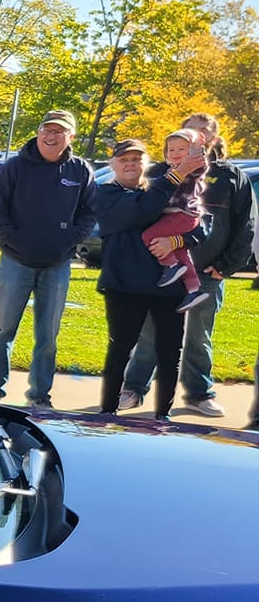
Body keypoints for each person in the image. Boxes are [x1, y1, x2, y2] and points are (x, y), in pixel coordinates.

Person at [120, 112, 256, 417]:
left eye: (204, 132)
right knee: (150, 332)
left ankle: (199, 394)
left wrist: (226, 266)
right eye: (190, 132)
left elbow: (246, 226)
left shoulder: (231, 177)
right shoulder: (158, 173)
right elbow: (140, 217)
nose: (197, 136)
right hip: (162, 271)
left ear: (213, 140)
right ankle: (132, 389)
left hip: (206, 272)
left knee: (198, 337)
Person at [0, 109, 96, 409]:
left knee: (48, 336)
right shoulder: (15, 168)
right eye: (47, 129)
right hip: (15, 262)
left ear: (70, 137)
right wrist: (13, 239)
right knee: (2, 330)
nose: (51, 135)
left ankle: (40, 396)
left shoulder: (80, 171)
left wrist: (69, 239)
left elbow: (89, 212)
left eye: (59, 131)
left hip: (57, 265)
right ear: (38, 132)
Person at [94, 137, 204, 419]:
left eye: (136, 159)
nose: (130, 164)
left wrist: (177, 240)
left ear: (146, 163)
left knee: (169, 353)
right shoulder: (106, 194)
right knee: (120, 349)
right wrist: (176, 175)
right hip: (125, 287)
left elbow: (200, 226)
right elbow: (142, 209)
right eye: (124, 160)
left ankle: (162, 415)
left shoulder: (165, 189)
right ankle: (108, 411)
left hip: (167, 286)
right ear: (113, 165)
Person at [135, 128, 210, 312]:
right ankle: (194, 290)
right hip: (174, 215)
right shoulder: (167, 171)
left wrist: (197, 147)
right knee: (181, 252)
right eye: (171, 150)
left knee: (148, 236)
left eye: (181, 149)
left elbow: (199, 163)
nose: (176, 154)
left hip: (184, 215)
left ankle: (171, 265)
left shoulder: (192, 169)